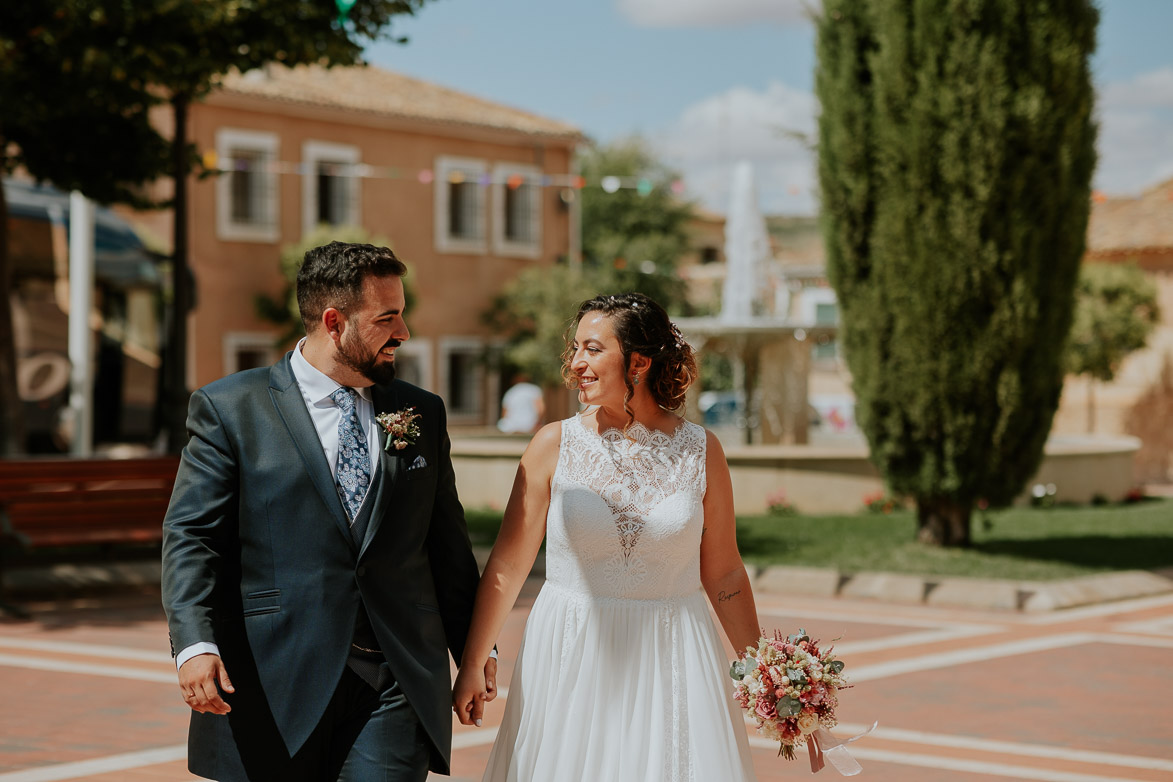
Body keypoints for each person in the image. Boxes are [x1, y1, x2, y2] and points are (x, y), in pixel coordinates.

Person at [162, 241, 495, 782]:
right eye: (388, 318)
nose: (404, 333)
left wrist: (475, 653)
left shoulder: (421, 412)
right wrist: (195, 644)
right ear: (335, 322)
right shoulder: (230, 408)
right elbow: (192, 535)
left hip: (396, 680)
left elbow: (447, 547)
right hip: (274, 676)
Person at [453, 292, 760, 781]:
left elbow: (723, 570)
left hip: (672, 655)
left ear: (638, 361)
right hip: (570, 654)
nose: (575, 363)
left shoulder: (702, 451)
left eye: (593, 349)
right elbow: (508, 565)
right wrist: (473, 660)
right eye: (575, 349)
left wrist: (762, 670)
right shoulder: (552, 444)